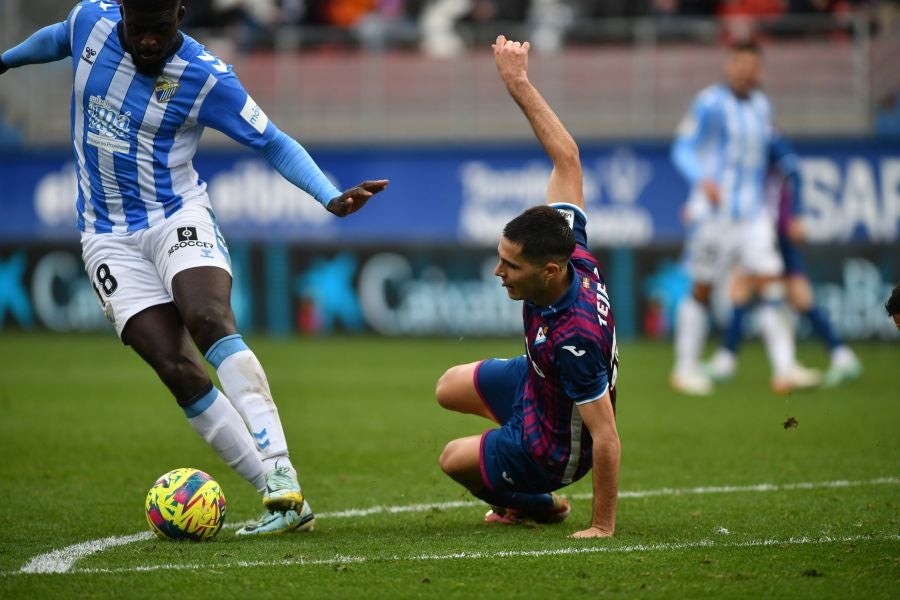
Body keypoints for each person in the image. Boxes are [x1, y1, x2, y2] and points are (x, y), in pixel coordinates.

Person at [0, 0, 388, 536]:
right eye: (139, 30)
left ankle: (281, 469)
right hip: (105, 236)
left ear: (181, 13)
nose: (150, 42)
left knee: (207, 318)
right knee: (177, 369)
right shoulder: (90, 20)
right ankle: (285, 505)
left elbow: (272, 140)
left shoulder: (206, 77)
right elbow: (54, 37)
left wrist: (329, 196)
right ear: (121, 16)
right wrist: (5, 60)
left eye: (161, 29)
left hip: (176, 215)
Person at [435, 35, 620, 538]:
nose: (499, 274)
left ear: (549, 272)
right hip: (538, 383)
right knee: (447, 387)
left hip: (556, 445)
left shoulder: (575, 338)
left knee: (453, 459)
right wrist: (519, 84)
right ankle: (510, 448)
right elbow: (568, 160)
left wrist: (602, 525)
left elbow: (604, 436)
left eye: (510, 267)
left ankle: (532, 500)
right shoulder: (569, 247)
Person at [669, 41, 819, 396]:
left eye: (751, 65)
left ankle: (786, 369)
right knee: (701, 289)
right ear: (728, 66)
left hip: (753, 216)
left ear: (759, 70)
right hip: (715, 216)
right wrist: (702, 180)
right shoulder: (710, 102)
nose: (744, 70)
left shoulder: (762, 107)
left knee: (771, 284)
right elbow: (682, 147)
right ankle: (684, 369)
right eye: (738, 63)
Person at [705, 133, 861, 388]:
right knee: (751, 289)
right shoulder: (745, 143)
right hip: (764, 229)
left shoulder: (766, 137)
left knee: (773, 291)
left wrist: (796, 215)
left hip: (774, 230)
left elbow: (794, 173)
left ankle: (783, 366)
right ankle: (839, 355)